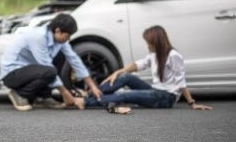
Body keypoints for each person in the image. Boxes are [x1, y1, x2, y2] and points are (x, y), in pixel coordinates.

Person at [74, 25, 212, 114]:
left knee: (125, 95)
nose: (147, 45)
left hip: (165, 98)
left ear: (156, 42)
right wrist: (117, 72)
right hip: (156, 91)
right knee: (125, 77)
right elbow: (137, 65)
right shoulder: (155, 54)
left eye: (149, 43)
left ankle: (85, 101)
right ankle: (91, 95)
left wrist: (192, 103)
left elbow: (181, 83)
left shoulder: (173, 56)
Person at [0, 13, 102, 111]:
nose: (69, 39)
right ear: (58, 31)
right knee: (50, 71)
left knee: (61, 56)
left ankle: (42, 97)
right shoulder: (38, 37)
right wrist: (65, 93)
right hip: (11, 73)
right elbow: (46, 65)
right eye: (67, 35)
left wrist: (92, 86)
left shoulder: (60, 41)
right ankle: (19, 94)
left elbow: (74, 59)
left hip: (28, 71)